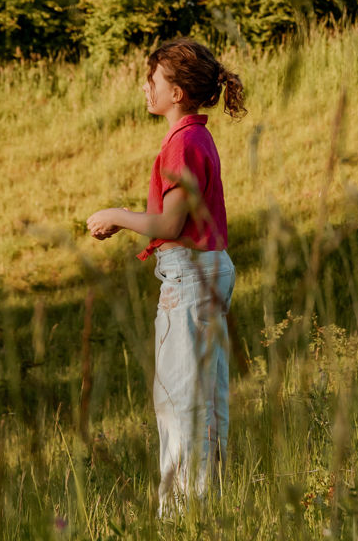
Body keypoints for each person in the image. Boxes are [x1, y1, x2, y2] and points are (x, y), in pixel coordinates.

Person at [86, 38, 246, 516]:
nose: (145, 86)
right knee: (204, 405)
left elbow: (169, 225)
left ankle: (182, 518)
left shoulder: (183, 143)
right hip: (209, 272)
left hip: (190, 279)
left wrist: (115, 215)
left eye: (153, 79)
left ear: (176, 92)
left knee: (179, 407)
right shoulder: (197, 136)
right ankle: (206, 511)